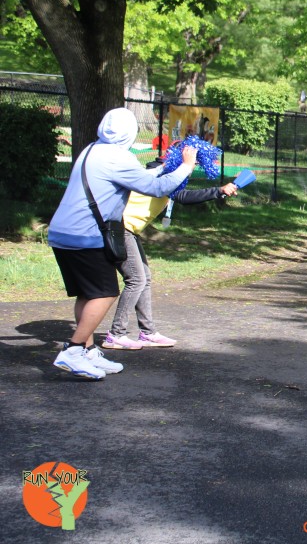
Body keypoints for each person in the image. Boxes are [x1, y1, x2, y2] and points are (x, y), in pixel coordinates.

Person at [48, 108, 196, 380]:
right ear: (130, 132)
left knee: (87, 293)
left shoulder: (91, 150)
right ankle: (74, 350)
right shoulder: (119, 157)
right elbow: (156, 188)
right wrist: (186, 166)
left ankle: (88, 351)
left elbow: (139, 176)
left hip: (62, 232)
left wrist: (165, 167)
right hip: (87, 235)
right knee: (104, 293)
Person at [102, 158, 240, 350]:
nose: (192, 168)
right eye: (193, 163)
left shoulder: (167, 175)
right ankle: (116, 335)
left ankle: (147, 332)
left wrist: (219, 190)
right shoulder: (161, 173)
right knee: (137, 280)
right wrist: (218, 190)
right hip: (121, 229)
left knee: (144, 278)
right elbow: (182, 195)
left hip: (129, 231)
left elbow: (180, 194)